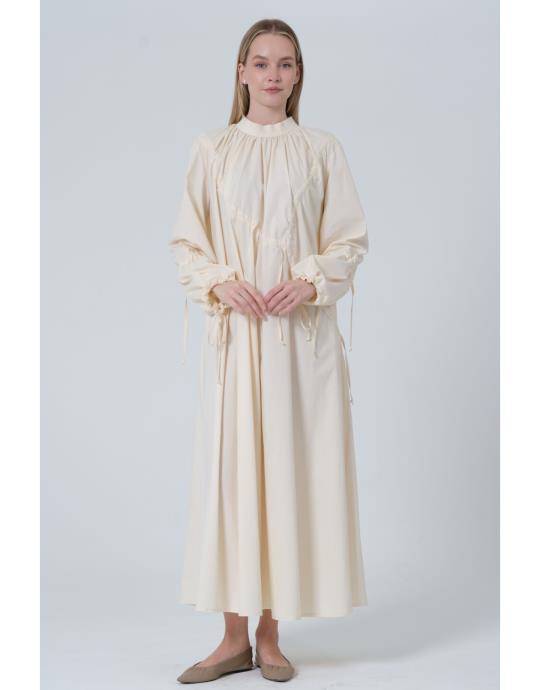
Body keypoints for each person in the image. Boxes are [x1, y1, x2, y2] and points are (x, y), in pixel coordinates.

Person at [169, 18, 369, 684]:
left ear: (299, 74)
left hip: (299, 343)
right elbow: (187, 241)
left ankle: (271, 635)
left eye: (286, 64)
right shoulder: (212, 148)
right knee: (234, 478)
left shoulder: (320, 150)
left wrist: (309, 281)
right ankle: (231, 638)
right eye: (261, 63)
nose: (273, 75)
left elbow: (349, 240)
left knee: (288, 473)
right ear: (241, 72)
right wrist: (218, 281)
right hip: (235, 341)